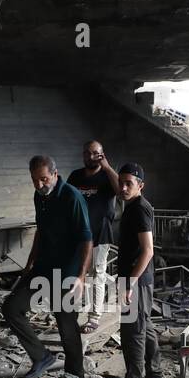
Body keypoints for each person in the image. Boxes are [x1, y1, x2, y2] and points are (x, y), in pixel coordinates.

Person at [2, 155, 92, 378]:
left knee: (66, 327)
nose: (39, 184)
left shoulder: (72, 197)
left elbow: (87, 239)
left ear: (55, 174)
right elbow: (41, 230)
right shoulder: (39, 197)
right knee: (11, 308)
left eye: (43, 179)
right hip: (43, 267)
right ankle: (42, 357)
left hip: (67, 273)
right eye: (35, 180)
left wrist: (82, 276)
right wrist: (30, 262)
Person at [114, 163, 161, 378]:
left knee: (133, 333)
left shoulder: (140, 209)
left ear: (140, 185)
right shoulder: (133, 206)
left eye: (128, 183)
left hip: (137, 281)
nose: (123, 187)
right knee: (145, 327)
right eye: (120, 182)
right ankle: (155, 377)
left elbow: (148, 251)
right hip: (138, 280)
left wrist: (129, 283)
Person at [67, 140, 121, 334]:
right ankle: (75, 310)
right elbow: (66, 200)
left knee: (97, 274)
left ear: (102, 154)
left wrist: (107, 168)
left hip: (101, 233)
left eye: (95, 153)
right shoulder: (75, 176)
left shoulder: (108, 177)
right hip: (78, 234)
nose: (90, 157)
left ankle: (94, 316)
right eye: (87, 153)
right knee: (78, 272)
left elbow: (121, 193)